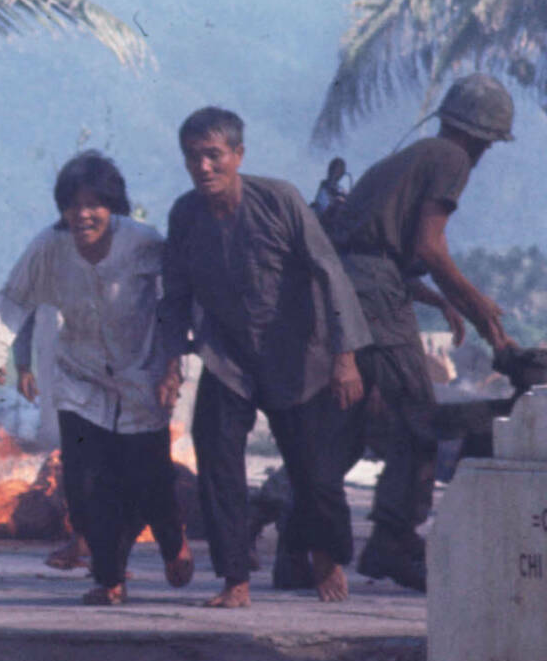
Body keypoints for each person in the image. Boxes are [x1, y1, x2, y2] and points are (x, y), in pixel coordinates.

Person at [153, 107, 370, 608]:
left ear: (238, 155)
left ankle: (324, 554)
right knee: (217, 459)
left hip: (298, 354)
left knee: (314, 471)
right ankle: (235, 578)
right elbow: (174, 296)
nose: (203, 167)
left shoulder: (280, 199)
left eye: (214, 155)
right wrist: (172, 365)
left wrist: (346, 356)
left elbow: (329, 273)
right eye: (193, 157)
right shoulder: (185, 215)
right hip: (229, 356)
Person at [325, 76, 519, 591]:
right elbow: (429, 247)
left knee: (354, 422)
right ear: (483, 139)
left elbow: (380, 245)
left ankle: (296, 529)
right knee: (419, 416)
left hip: (358, 283)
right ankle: (393, 541)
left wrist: (435, 299)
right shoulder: (451, 159)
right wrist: (476, 305)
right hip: (373, 287)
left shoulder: (418, 153)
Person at [0, 152, 193, 606]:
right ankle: (109, 579)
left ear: (113, 206)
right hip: (80, 381)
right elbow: (15, 298)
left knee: (150, 479)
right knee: (84, 484)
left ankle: (174, 542)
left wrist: (176, 367)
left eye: (94, 204)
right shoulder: (48, 247)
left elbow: (179, 298)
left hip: (141, 377)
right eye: (72, 205)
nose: (83, 214)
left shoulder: (143, 243)